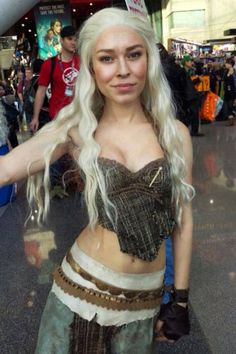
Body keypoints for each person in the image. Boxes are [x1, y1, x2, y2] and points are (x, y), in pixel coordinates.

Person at [0, 8, 194, 353]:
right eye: (107, 58)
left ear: (148, 59)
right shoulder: (75, 129)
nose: (122, 70)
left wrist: (179, 299)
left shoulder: (174, 134)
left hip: (143, 307)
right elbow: (5, 170)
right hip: (78, 300)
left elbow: (184, 219)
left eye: (133, 55)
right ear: (92, 68)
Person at [30, 25, 80, 132]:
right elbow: (41, 91)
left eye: (76, 39)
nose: (73, 42)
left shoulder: (82, 61)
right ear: (61, 40)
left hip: (79, 114)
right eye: (70, 39)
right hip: (58, 116)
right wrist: (35, 117)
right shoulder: (49, 64)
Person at [222, 58, 236, 126]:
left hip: (232, 92)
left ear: (230, 64)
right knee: (227, 106)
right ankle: (230, 120)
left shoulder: (234, 72)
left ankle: (231, 121)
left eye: (227, 63)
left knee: (231, 106)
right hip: (227, 91)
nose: (225, 64)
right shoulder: (225, 71)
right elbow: (224, 81)